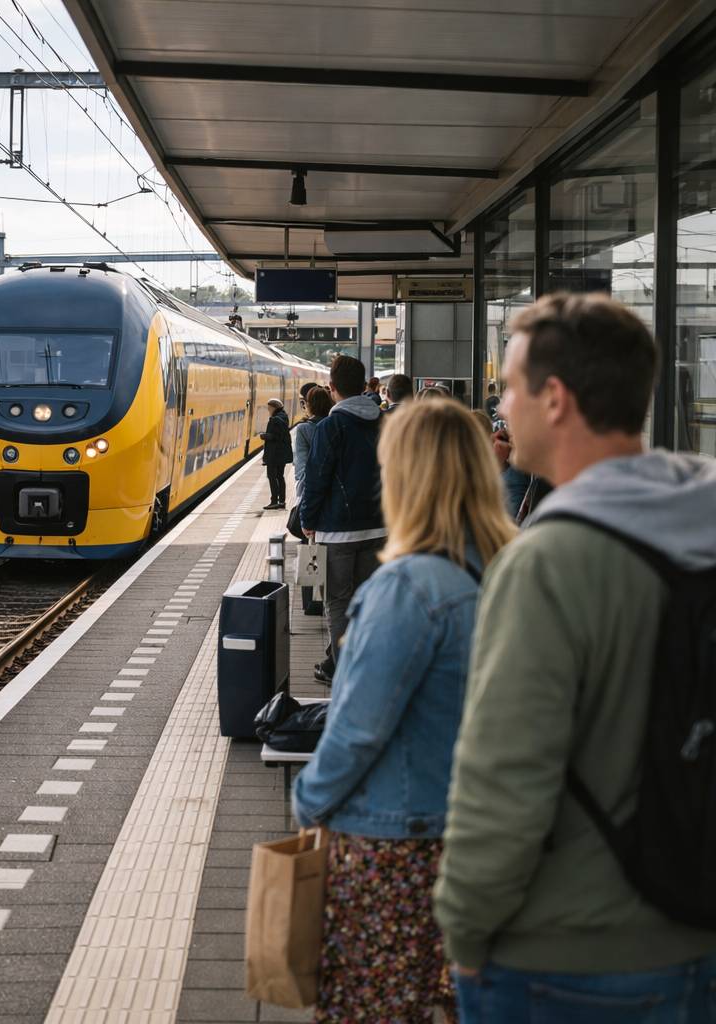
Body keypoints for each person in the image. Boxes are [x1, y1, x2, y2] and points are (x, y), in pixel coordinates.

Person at [436, 293, 716, 1018]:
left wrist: (463, 927)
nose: (500, 405)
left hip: (566, 958)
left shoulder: (549, 562)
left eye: (508, 388)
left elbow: (506, 776)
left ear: (554, 400)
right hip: (698, 931)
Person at [295, 398, 515, 1023]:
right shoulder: (505, 568)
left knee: (378, 1007)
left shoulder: (408, 589)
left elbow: (357, 729)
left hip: (396, 849)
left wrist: (308, 800)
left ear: (408, 479)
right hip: (473, 835)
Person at [300, 355, 385, 683]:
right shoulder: (385, 423)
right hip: (380, 527)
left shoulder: (330, 427)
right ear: (364, 387)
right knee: (366, 600)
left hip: (337, 532)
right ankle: (360, 666)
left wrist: (308, 519)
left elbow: (316, 479)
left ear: (332, 388)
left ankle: (344, 672)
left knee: (338, 601)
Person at [292, 386, 332, 497]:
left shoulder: (303, 429)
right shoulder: (334, 425)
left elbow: (301, 465)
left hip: (311, 490)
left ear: (309, 405)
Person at [259, 397, 291, 510]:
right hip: (281, 454)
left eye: (269, 408)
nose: (268, 410)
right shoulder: (284, 417)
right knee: (280, 477)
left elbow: (275, 436)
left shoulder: (275, 420)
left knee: (272, 477)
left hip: (274, 454)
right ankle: (282, 501)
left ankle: (274, 501)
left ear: (273, 408)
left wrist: (264, 436)